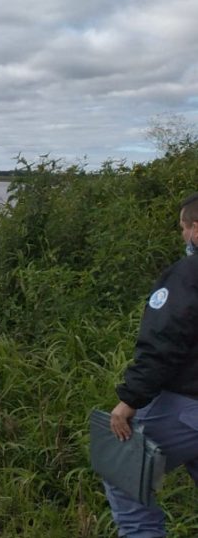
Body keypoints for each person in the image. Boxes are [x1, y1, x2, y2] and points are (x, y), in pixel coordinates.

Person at [106, 191, 198, 537]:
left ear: (196, 229)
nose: (183, 236)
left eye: (183, 228)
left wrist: (130, 400)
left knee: (124, 472)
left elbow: (163, 342)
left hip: (187, 405)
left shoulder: (187, 275)